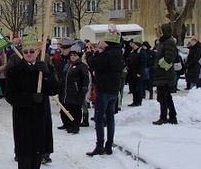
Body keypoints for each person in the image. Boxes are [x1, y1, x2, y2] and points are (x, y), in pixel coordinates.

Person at [5, 28, 60, 169]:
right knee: (24, 159)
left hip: (40, 118)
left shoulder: (44, 68)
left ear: (37, 51)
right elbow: (10, 96)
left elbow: (55, 90)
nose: (29, 54)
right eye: (25, 52)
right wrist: (30, 98)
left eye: (32, 51)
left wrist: (47, 75)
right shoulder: (15, 71)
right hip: (22, 119)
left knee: (37, 158)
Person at [86, 26, 124, 156]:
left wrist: (90, 54)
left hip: (104, 89)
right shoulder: (118, 52)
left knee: (99, 118)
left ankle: (100, 146)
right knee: (110, 118)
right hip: (113, 89)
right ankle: (108, 145)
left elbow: (94, 64)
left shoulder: (108, 54)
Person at [152, 23, 178, 125]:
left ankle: (164, 117)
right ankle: (172, 116)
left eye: (159, 31)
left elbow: (169, 58)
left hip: (165, 75)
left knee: (163, 97)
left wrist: (158, 65)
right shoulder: (163, 42)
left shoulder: (169, 42)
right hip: (162, 75)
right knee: (166, 97)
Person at [60, 45, 90, 134]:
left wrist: (83, 89)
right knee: (68, 109)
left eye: (75, 55)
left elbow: (85, 78)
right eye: (71, 55)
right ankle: (69, 125)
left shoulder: (82, 66)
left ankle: (76, 126)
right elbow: (63, 77)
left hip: (76, 92)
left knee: (76, 110)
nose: (73, 57)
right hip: (66, 92)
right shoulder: (68, 65)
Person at [126, 40, 147, 107]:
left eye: (134, 45)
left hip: (138, 73)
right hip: (132, 73)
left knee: (138, 88)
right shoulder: (132, 52)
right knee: (133, 88)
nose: (133, 46)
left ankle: (138, 101)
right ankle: (134, 101)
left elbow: (142, 64)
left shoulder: (141, 52)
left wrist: (139, 72)